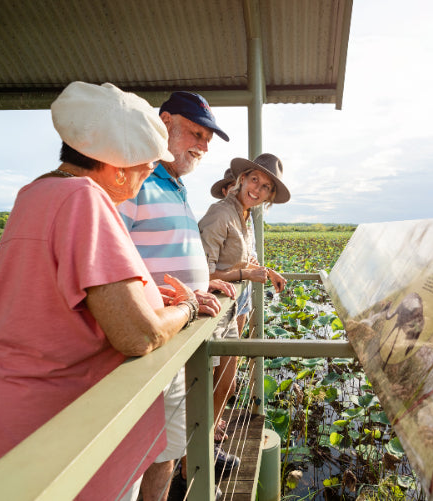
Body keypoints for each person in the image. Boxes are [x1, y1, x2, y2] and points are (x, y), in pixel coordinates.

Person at [0, 82, 199, 501]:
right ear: (118, 170)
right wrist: (186, 308)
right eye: (147, 168)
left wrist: (147, 296)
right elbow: (139, 334)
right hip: (50, 431)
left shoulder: (36, 192)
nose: (147, 177)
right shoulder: (86, 199)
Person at [117, 91, 238, 501]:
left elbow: (165, 251)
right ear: (165, 122)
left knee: (166, 452)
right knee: (129, 462)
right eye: (196, 134)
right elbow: (110, 266)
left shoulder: (176, 185)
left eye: (207, 139)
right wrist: (174, 301)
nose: (204, 146)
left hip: (175, 342)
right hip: (141, 351)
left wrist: (202, 285)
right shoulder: (131, 180)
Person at [198, 153, 290, 454]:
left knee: (227, 383)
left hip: (231, 309)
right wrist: (246, 275)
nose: (257, 189)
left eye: (266, 187)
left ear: (269, 197)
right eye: (254, 180)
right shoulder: (220, 213)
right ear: (241, 179)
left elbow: (243, 260)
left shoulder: (244, 216)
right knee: (209, 384)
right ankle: (196, 459)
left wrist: (267, 271)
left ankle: (209, 435)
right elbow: (203, 274)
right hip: (212, 312)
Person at [209, 168, 259, 337]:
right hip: (224, 294)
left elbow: (248, 256)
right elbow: (212, 265)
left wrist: (251, 263)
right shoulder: (219, 216)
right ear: (225, 191)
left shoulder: (248, 218)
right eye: (234, 188)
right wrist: (248, 268)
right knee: (222, 346)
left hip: (243, 291)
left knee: (236, 344)